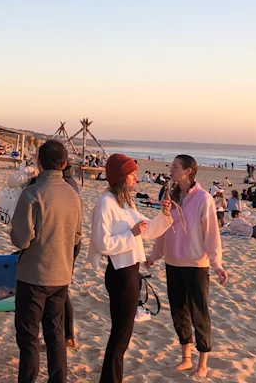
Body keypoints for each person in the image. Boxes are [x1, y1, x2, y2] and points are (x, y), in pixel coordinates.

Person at [89, 153, 172, 383]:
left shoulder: (126, 202)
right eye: (132, 174)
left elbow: (148, 230)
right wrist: (131, 234)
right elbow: (102, 243)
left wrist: (164, 215)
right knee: (120, 335)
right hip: (120, 274)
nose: (136, 177)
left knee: (123, 335)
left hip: (131, 273)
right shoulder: (106, 202)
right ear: (121, 177)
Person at [147, 155, 227, 379]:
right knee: (178, 311)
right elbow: (163, 229)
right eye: (172, 166)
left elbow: (211, 233)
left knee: (199, 312)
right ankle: (186, 358)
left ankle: (203, 362)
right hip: (173, 262)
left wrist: (217, 264)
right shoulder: (171, 197)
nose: (171, 170)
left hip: (195, 264)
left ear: (188, 171)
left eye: (175, 166)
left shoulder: (203, 199)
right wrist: (154, 256)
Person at [10, 140, 82, 383]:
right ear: (64, 164)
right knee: (55, 334)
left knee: (29, 337)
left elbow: (22, 239)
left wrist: (14, 232)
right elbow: (77, 237)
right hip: (61, 274)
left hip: (33, 275)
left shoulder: (32, 193)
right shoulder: (73, 195)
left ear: (39, 162)